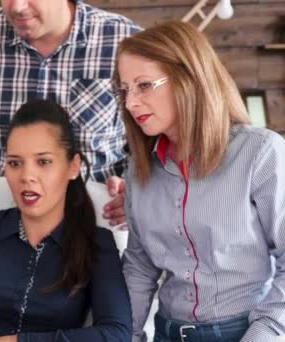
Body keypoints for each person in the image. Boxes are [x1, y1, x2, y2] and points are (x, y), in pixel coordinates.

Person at [117, 21, 285, 341]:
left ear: (189, 78)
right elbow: (139, 270)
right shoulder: (139, 170)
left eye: (144, 85)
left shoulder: (260, 153)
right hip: (168, 333)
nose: (130, 103)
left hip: (247, 332)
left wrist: (264, 333)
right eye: (125, 89)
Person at [0, 0, 140, 225]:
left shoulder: (124, 41)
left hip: (101, 222)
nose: (17, 7)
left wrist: (137, 188)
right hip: (4, 223)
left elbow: (157, 135)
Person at [0, 99, 131, 341]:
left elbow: (116, 334)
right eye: (15, 163)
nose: (27, 176)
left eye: (43, 162)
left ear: (73, 166)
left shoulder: (96, 243)